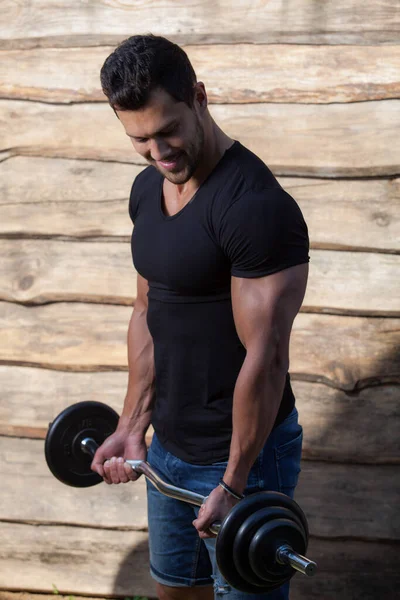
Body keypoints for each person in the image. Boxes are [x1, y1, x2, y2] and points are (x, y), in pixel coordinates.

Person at [91, 34, 309, 600]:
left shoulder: (253, 207)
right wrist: (132, 426)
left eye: (168, 130)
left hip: (243, 458)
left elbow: (268, 358)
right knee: (175, 593)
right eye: (140, 138)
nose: (158, 151)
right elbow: (148, 313)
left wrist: (235, 483)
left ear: (199, 98)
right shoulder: (147, 192)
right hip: (169, 449)